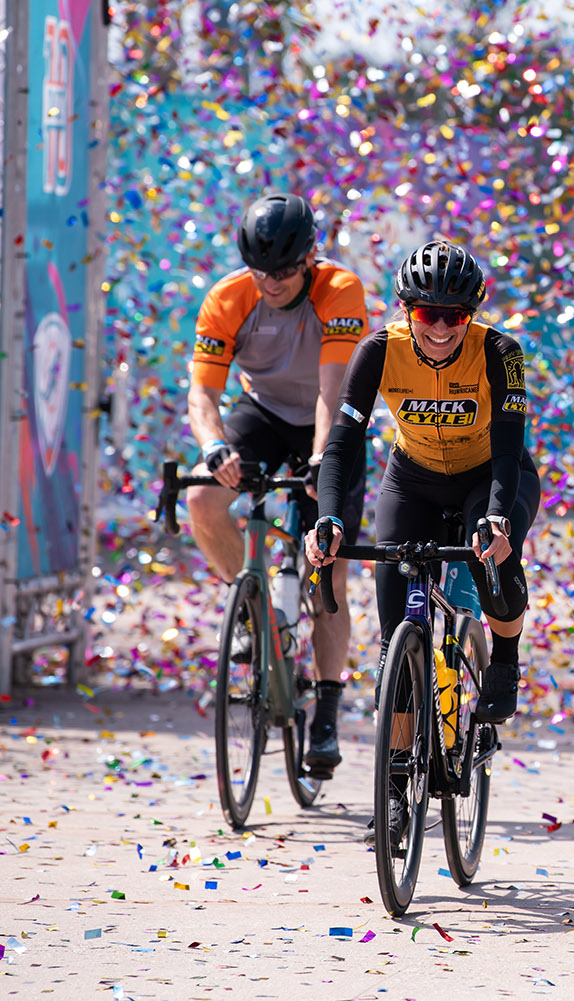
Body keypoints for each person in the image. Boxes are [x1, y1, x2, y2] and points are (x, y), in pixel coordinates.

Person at [305, 241, 541, 844]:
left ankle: (505, 662)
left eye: (455, 316)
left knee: (493, 564)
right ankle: (394, 788)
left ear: (472, 313)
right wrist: (328, 520)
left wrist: (496, 519)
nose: (440, 328)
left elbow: (510, 447)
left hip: (489, 475)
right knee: (395, 644)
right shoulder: (378, 350)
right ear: (406, 310)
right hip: (410, 479)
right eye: (427, 314)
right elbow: (340, 447)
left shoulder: (501, 353)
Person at [185, 191, 370, 779]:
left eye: (286, 271)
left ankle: (327, 712)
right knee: (202, 497)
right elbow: (204, 394)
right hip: (262, 413)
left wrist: (320, 460)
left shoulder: (338, 290)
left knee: (329, 571)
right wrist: (213, 447)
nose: (273, 283)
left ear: (310, 258)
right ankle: (253, 611)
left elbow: (333, 389)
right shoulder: (228, 296)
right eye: (263, 271)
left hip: (327, 418)